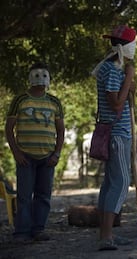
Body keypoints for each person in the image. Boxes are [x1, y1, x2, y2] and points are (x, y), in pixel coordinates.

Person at [6, 62, 65, 243]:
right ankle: (21, 232)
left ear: (49, 78)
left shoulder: (54, 102)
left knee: (43, 195)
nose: (40, 79)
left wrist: (56, 154)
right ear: (30, 78)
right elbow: (9, 129)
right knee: (24, 195)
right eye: (36, 75)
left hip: (47, 158)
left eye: (44, 75)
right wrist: (16, 153)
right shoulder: (20, 100)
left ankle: (39, 228)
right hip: (25, 156)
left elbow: (61, 130)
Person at [91, 24, 137, 250]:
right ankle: (105, 236)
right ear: (126, 46)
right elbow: (116, 103)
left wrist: (129, 84)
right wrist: (128, 77)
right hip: (116, 134)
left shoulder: (115, 69)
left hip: (121, 132)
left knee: (111, 183)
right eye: (134, 43)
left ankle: (107, 234)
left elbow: (125, 98)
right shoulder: (113, 69)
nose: (135, 48)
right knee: (120, 183)